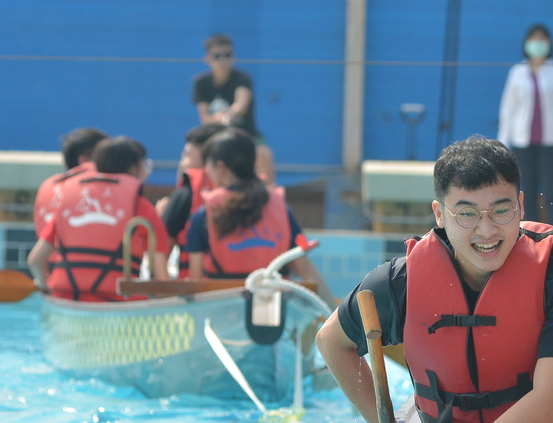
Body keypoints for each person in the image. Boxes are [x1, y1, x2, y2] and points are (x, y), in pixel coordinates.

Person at [316, 135, 553, 423]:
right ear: (439, 214)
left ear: (520, 207)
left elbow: (551, 401)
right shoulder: (401, 282)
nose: (486, 230)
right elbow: (331, 342)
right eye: (466, 214)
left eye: (501, 210)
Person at [184, 129, 337, 307]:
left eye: (207, 166)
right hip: (275, 317)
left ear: (220, 167)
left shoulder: (203, 215)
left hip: (223, 314)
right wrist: (334, 314)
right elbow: (304, 267)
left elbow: (196, 282)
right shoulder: (281, 210)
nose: (206, 173)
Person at [28, 136, 170, 302]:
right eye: (144, 165)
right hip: (120, 302)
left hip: (68, 299)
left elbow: (35, 260)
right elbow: (162, 281)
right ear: (133, 169)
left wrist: (45, 287)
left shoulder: (68, 203)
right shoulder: (143, 208)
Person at [498, 23, 553, 228]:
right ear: (526, 43)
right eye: (534, 39)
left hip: (551, 142)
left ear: (549, 44)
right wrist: (502, 143)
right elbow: (508, 109)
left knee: (552, 192)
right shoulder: (517, 71)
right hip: (522, 142)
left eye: (543, 39)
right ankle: (529, 234)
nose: (538, 44)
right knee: (527, 192)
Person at [192, 33, 276, 184]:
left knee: (264, 154)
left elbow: (241, 104)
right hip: (214, 136)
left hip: (245, 134)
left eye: (227, 55)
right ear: (208, 59)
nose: (223, 60)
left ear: (234, 56)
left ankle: (269, 196)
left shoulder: (242, 78)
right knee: (191, 157)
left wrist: (228, 115)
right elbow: (205, 118)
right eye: (217, 56)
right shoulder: (201, 82)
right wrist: (219, 119)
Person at [156, 123, 224, 277]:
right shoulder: (262, 195)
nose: (181, 163)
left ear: (209, 159)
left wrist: (158, 220)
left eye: (186, 156)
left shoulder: (185, 195)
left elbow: (159, 254)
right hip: (251, 289)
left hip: (201, 296)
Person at [33, 127, 108, 230]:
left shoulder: (48, 188)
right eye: (106, 158)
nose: (111, 164)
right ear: (85, 162)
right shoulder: (97, 194)